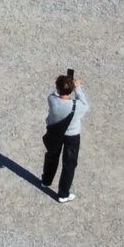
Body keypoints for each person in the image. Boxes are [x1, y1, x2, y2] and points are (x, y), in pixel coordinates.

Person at [42, 71, 88, 202]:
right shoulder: (79, 106)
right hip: (72, 136)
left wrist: (67, 86)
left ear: (57, 88)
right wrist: (77, 88)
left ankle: (46, 180)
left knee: (51, 156)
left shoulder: (51, 100)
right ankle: (63, 194)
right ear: (71, 90)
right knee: (69, 164)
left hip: (55, 134)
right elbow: (85, 103)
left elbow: (55, 93)